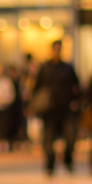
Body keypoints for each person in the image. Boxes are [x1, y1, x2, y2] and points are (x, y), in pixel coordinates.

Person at [31, 40, 80, 174]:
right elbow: (36, 88)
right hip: (49, 110)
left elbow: (76, 87)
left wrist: (76, 102)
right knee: (48, 140)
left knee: (70, 138)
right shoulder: (45, 68)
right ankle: (49, 164)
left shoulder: (68, 68)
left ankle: (67, 160)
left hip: (66, 109)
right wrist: (34, 105)